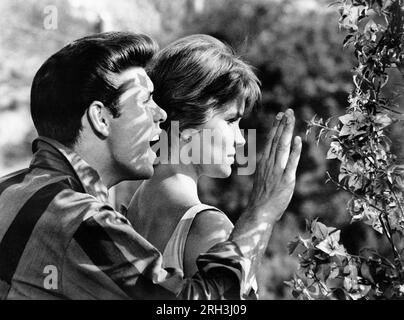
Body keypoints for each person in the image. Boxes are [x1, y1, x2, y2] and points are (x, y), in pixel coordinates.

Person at [0, 32, 301, 300]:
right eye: (145, 101)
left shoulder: (11, 191)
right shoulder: (81, 219)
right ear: (101, 118)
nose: (160, 114)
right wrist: (261, 213)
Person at [126, 35, 292, 298]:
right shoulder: (207, 228)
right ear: (187, 123)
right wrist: (264, 213)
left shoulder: (128, 213)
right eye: (230, 120)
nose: (240, 139)